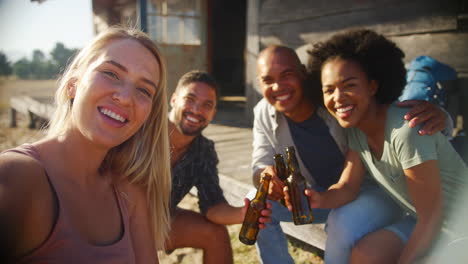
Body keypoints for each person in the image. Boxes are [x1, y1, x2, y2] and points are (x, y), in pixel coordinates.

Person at [251, 45, 451, 264]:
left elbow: (393, 113)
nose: (278, 86)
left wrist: (442, 117)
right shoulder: (263, 111)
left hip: (375, 190)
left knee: (342, 222)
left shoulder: (337, 101)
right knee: (256, 203)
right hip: (325, 193)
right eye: (268, 80)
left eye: (287, 75)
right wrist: (265, 177)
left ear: (302, 72)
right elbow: (259, 164)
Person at [0, 27, 171, 263]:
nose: (125, 97)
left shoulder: (128, 192)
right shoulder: (16, 176)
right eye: (111, 74)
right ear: (72, 84)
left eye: (143, 90)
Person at [302, 28, 468, 263]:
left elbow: (432, 217)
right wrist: (319, 199)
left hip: (458, 226)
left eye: (349, 85)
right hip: (420, 220)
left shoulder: (407, 131)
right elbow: (347, 187)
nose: (337, 97)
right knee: (364, 256)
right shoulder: (357, 132)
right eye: (329, 90)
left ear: (373, 85)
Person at [164, 70, 271, 264]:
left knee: (216, 234)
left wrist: (243, 214)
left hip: (158, 221)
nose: (196, 110)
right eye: (190, 99)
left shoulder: (204, 151)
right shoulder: (143, 130)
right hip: (110, 218)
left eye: (207, 105)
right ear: (173, 99)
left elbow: (212, 205)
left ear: (213, 114)